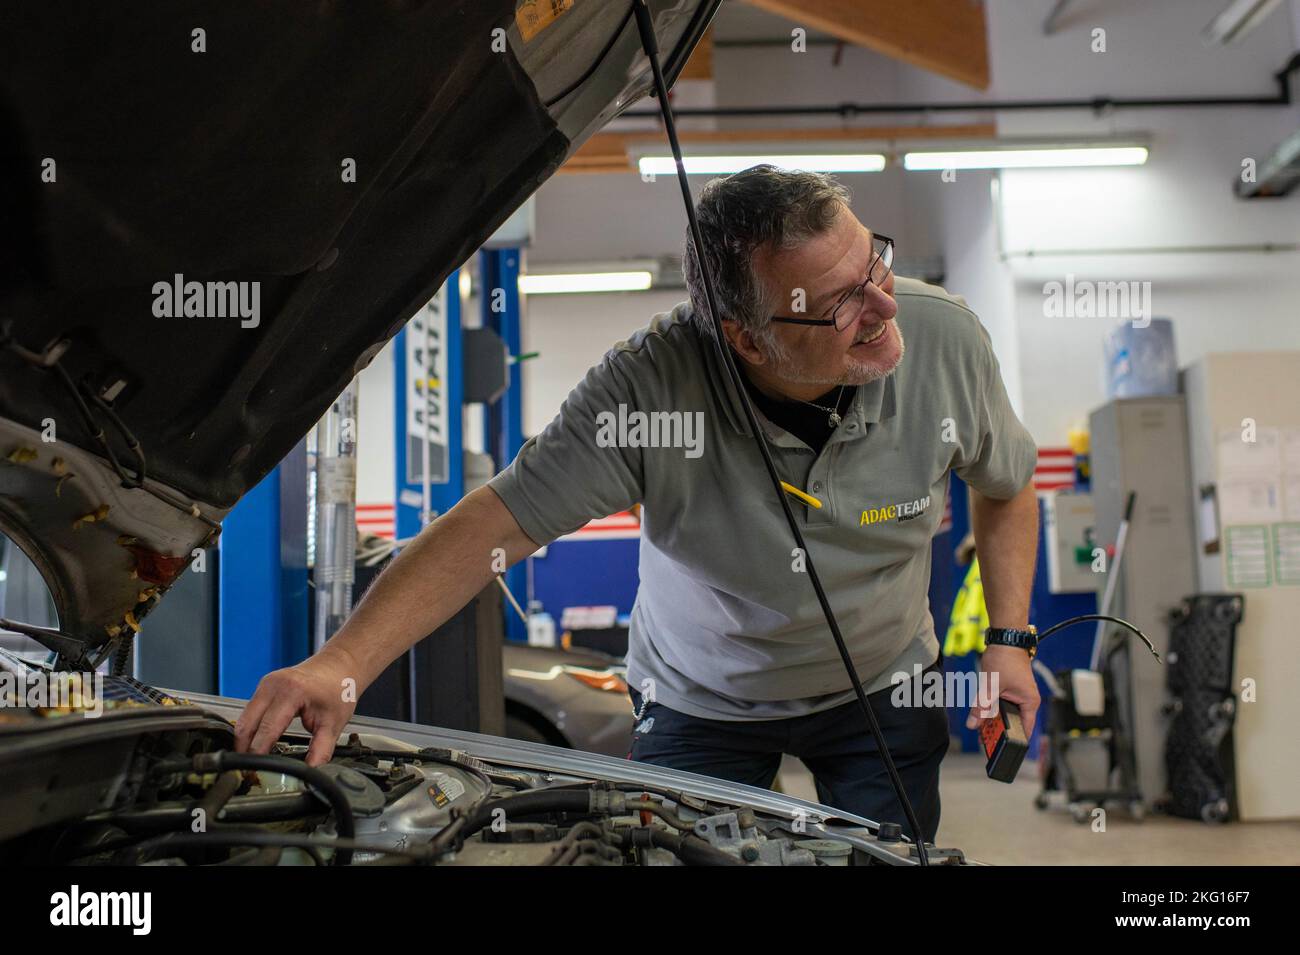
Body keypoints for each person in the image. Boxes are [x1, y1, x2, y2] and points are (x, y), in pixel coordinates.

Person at [235, 165, 1041, 843]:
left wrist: (1008, 641)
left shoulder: (945, 342)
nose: (885, 307)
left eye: (877, 266)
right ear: (746, 337)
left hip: (883, 682)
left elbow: (1006, 485)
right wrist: (343, 662)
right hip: (704, 701)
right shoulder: (648, 390)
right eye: (840, 304)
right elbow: (496, 522)